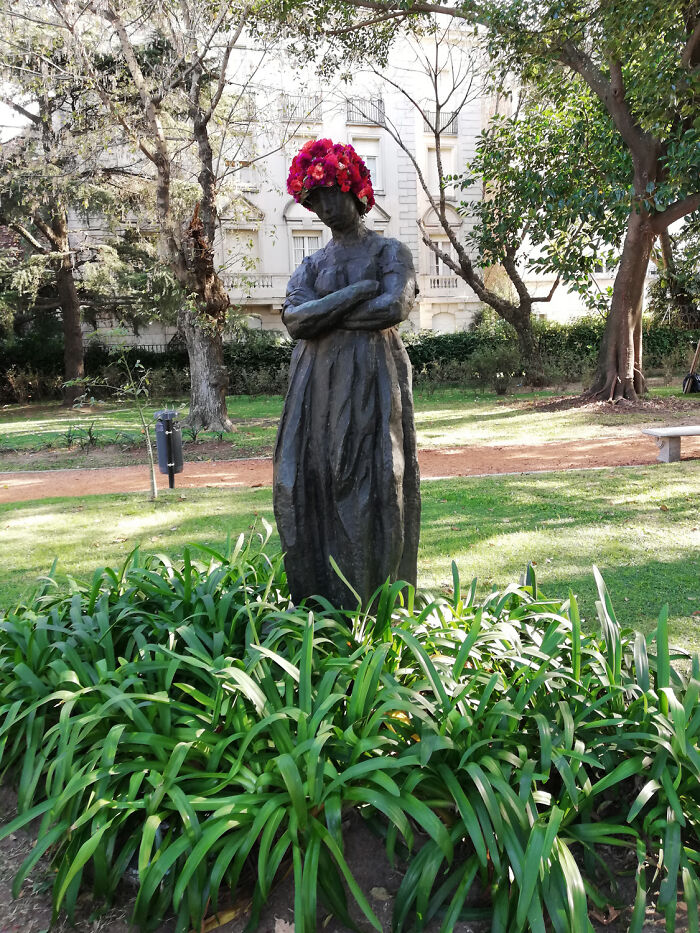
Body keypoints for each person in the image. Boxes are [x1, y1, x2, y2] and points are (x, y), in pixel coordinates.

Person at [273, 139, 420, 609]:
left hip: (370, 378)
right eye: (313, 201)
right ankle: (318, 600)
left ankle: (374, 605)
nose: (322, 209)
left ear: (354, 191)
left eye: (329, 195)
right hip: (312, 386)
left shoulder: (391, 251)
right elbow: (296, 322)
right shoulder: (313, 264)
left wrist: (324, 315)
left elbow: (393, 307)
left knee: (371, 481)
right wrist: (357, 292)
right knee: (299, 481)